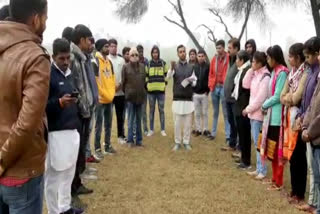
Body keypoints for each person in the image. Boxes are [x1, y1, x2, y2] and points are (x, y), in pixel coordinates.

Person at [0, 0, 50, 213]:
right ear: (36, 19)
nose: (46, 24)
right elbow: (26, 125)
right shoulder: (35, 57)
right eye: (46, 18)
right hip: (21, 172)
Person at [45, 38, 83, 214]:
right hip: (56, 133)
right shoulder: (48, 75)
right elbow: (42, 106)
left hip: (72, 129)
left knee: (69, 172)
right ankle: (54, 211)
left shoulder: (70, 74)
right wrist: (59, 103)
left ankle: (65, 207)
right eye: (62, 58)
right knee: (54, 177)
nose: (66, 62)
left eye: (68, 58)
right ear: (53, 57)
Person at [70, 24, 97, 208]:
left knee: (80, 152)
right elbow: (75, 88)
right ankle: (71, 192)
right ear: (81, 40)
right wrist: (82, 107)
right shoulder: (73, 58)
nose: (91, 44)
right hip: (79, 113)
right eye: (89, 40)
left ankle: (77, 183)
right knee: (74, 154)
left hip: (86, 111)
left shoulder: (84, 58)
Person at [280, 43, 309, 205]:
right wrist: (287, 98)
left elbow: (296, 97)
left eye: (291, 56)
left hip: (299, 119)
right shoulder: (292, 73)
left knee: (299, 156)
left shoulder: (306, 72)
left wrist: (288, 99)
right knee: (291, 155)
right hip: (289, 118)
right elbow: (282, 96)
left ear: (298, 57)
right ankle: (293, 190)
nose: (289, 59)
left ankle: (299, 192)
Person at [296, 37, 320, 213]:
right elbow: (311, 103)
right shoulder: (312, 72)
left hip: (315, 132)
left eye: (309, 56)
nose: (306, 59)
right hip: (310, 129)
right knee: (314, 171)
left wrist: (309, 131)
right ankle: (314, 204)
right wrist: (303, 122)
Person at [261, 45, 288, 191]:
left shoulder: (282, 72)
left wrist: (264, 105)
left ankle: (279, 181)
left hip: (277, 116)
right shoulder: (274, 72)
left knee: (277, 150)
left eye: (269, 58)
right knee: (271, 148)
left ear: (275, 58)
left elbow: (278, 96)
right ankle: (273, 178)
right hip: (271, 116)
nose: (267, 60)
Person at [243, 51, 270, 180]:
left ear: (260, 63)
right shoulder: (255, 74)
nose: (252, 64)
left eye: (254, 62)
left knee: (260, 143)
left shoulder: (265, 77)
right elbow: (245, 84)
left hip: (259, 115)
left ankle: (262, 170)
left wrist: (248, 109)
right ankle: (259, 168)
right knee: (256, 143)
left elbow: (260, 98)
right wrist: (250, 70)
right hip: (253, 115)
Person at [167, 45, 197, 151]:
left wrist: (191, 81)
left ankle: (186, 142)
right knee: (177, 123)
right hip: (177, 98)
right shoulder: (174, 66)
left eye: (184, 51)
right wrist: (171, 67)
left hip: (188, 98)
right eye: (180, 52)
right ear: (178, 54)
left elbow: (195, 82)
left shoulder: (191, 66)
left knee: (188, 123)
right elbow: (168, 77)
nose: (182, 53)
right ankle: (177, 142)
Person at [92, 39, 116, 160]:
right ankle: (97, 149)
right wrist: (105, 94)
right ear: (100, 48)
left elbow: (112, 79)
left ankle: (107, 145)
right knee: (99, 125)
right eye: (106, 46)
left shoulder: (109, 62)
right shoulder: (95, 61)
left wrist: (111, 94)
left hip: (109, 98)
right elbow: (96, 82)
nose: (108, 48)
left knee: (108, 124)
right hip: (100, 99)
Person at [122, 48, 147, 147]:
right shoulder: (125, 67)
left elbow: (144, 81)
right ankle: (130, 141)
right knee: (131, 120)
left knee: (138, 120)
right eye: (132, 55)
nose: (134, 57)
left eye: (136, 55)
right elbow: (123, 83)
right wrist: (128, 93)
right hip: (130, 98)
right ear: (129, 56)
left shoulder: (142, 67)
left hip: (140, 97)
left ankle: (139, 140)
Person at [232, 50, 252, 169]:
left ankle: (246, 160)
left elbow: (245, 89)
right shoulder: (241, 70)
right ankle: (243, 157)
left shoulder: (247, 70)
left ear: (242, 60)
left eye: (237, 59)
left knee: (244, 134)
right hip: (238, 105)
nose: (236, 61)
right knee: (241, 132)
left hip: (244, 105)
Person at [208, 40, 230, 141]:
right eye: (217, 48)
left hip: (223, 87)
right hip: (215, 87)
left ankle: (228, 135)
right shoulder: (214, 59)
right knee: (215, 112)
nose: (218, 50)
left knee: (225, 113)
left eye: (220, 48)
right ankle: (213, 133)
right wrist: (210, 85)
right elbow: (211, 73)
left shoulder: (229, 58)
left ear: (224, 48)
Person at [223, 38, 241, 151]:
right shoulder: (230, 59)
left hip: (235, 99)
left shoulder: (240, 61)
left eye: (230, 48)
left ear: (236, 48)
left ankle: (240, 146)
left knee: (237, 123)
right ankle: (232, 144)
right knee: (230, 121)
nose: (227, 50)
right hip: (227, 98)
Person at [146, 45, 168, 137]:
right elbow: (146, 76)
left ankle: (163, 130)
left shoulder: (163, 63)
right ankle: (151, 129)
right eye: (153, 52)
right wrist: (147, 85)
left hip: (160, 91)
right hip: (151, 92)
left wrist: (164, 85)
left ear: (158, 53)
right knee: (151, 111)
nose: (155, 54)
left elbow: (166, 75)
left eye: (156, 52)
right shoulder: (149, 63)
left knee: (161, 110)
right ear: (151, 53)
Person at [108, 39, 126, 144]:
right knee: (108, 117)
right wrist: (111, 87)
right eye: (112, 46)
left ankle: (121, 136)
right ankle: (107, 139)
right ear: (109, 47)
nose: (114, 48)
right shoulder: (106, 60)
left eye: (115, 46)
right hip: (109, 93)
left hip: (120, 93)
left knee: (120, 116)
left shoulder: (121, 60)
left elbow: (124, 75)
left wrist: (120, 85)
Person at [193, 50, 210, 137]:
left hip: (204, 93)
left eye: (202, 56)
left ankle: (205, 129)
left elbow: (210, 78)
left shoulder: (208, 66)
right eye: (199, 56)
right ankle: (198, 129)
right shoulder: (194, 67)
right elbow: (192, 79)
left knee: (205, 112)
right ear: (197, 57)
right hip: (195, 94)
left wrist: (208, 90)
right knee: (197, 113)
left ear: (204, 57)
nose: (200, 58)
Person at [137, 44, 149, 135]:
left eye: (142, 51)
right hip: (136, 90)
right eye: (139, 52)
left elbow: (148, 74)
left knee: (144, 111)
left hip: (144, 89)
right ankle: (137, 129)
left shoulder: (146, 61)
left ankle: (145, 129)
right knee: (136, 111)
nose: (140, 53)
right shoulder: (134, 61)